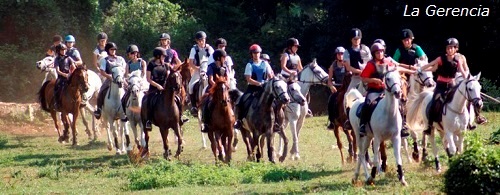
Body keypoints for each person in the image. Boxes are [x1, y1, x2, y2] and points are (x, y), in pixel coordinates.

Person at [358, 42, 415, 137]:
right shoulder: (370, 65)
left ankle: (402, 126)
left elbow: (398, 68)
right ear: (373, 54)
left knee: (400, 104)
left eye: (381, 52)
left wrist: (412, 71)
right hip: (374, 91)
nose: (380, 54)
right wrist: (373, 80)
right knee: (367, 103)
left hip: (386, 91)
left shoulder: (387, 62)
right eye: (377, 52)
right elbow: (363, 78)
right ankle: (363, 125)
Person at [419, 38, 471, 135]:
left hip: (452, 85)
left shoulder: (458, 60)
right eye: (448, 48)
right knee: (434, 102)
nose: (449, 50)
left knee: (464, 100)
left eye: (451, 48)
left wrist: (468, 80)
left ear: (456, 49)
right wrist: (420, 69)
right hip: (441, 86)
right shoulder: (441, 59)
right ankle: (429, 126)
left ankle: (468, 123)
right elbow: (430, 64)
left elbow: (463, 72)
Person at [234, 44, 274, 129]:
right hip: (253, 88)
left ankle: (276, 121)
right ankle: (239, 120)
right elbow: (248, 79)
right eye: (254, 53)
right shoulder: (249, 65)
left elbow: (270, 75)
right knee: (242, 100)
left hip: (265, 88)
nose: (256, 55)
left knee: (275, 101)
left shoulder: (265, 64)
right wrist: (258, 83)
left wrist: (269, 82)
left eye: (258, 53)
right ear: (251, 54)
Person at [94, 42, 127, 119]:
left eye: (114, 49)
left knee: (129, 89)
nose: (113, 51)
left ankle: (127, 110)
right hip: (109, 79)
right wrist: (109, 76)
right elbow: (102, 71)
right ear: (108, 50)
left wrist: (121, 75)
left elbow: (124, 69)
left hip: (120, 79)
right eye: (111, 49)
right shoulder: (104, 60)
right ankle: (99, 110)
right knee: (101, 92)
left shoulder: (120, 59)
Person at [201, 49, 230, 132]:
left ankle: (235, 119)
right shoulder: (211, 66)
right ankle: (206, 122)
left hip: (224, 88)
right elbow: (210, 79)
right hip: (213, 88)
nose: (225, 59)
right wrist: (216, 87)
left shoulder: (225, 67)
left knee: (234, 100)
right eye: (223, 57)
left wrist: (226, 85)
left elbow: (227, 77)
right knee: (206, 102)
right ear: (218, 58)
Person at [187, 31, 214, 116]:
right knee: (190, 86)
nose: (201, 42)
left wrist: (209, 70)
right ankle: (194, 106)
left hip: (208, 70)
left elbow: (213, 61)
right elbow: (190, 63)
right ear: (197, 41)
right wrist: (197, 68)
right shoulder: (194, 49)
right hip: (198, 70)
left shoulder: (209, 49)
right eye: (199, 41)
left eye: (203, 40)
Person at [143, 47, 171, 130]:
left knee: (177, 99)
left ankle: (179, 117)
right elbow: (148, 79)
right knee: (149, 101)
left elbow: (168, 76)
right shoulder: (151, 65)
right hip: (154, 88)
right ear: (158, 56)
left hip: (165, 88)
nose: (164, 58)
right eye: (163, 56)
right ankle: (149, 120)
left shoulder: (166, 65)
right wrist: (157, 86)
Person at [344, 28, 372, 93]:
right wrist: (360, 72)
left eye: (358, 39)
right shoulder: (347, 52)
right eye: (354, 39)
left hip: (368, 77)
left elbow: (370, 62)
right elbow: (348, 68)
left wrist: (366, 72)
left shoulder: (366, 49)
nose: (356, 40)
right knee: (347, 96)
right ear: (351, 39)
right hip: (356, 78)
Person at [121, 44, 147, 115]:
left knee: (149, 96)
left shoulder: (142, 62)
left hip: (141, 82)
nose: (129, 56)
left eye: (130, 54)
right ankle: (125, 113)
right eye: (129, 54)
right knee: (124, 97)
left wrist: (139, 82)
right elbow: (127, 75)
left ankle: (149, 115)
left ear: (135, 53)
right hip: (132, 82)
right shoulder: (128, 64)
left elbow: (143, 74)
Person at [326, 47, 345, 129]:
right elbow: (329, 80)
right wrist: (331, 86)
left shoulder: (348, 64)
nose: (340, 55)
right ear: (336, 55)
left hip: (348, 87)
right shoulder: (333, 66)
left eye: (342, 54)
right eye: (338, 54)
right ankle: (332, 121)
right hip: (338, 88)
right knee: (331, 100)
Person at [53, 43, 76, 109]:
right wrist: (65, 75)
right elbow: (58, 71)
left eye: (65, 50)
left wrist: (71, 73)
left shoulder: (68, 58)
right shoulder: (57, 59)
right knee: (56, 87)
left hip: (69, 76)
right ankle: (56, 103)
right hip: (61, 77)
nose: (64, 51)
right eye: (62, 50)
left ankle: (82, 100)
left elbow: (74, 66)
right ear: (58, 51)